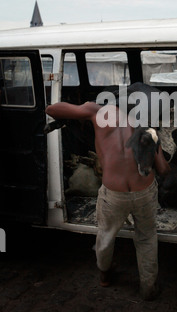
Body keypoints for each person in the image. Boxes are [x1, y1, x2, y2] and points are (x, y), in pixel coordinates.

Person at [46, 100, 170, 300]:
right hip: (144, 191)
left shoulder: (99, 112)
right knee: (146, 237)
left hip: (113, 192)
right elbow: (163, 170)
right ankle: (148, 288)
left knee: (106, 234)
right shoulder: (147, 126)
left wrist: (85, 108)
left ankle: (104, 274)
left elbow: (51, 109)